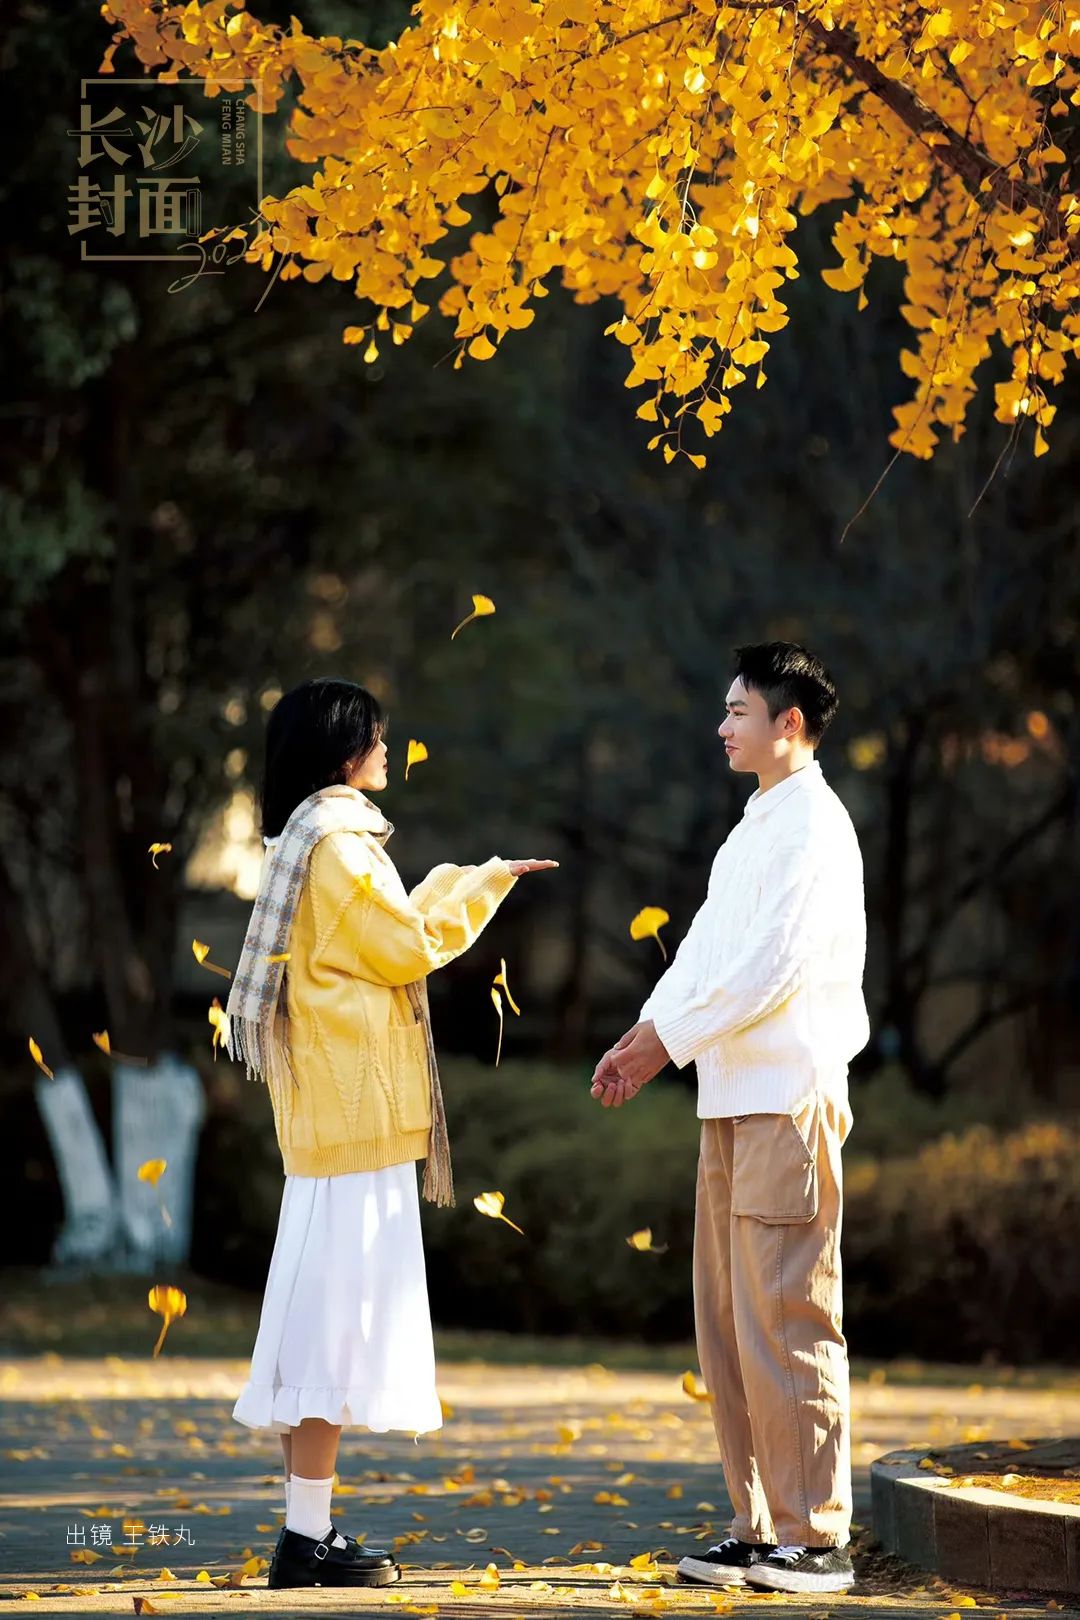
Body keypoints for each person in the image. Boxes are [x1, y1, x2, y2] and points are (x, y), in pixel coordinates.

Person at [225, 677, 558, 1590]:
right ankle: (306, 1539)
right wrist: (483, 882)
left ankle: (306, 1533)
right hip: (356, 1118)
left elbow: (384, 932)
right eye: (375, 737)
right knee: (330, 1331)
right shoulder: (338, 845)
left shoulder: (309, 840)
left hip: (333, 1120)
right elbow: (407, 943)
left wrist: (464, 880)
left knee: (316, 1328)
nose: (386, 749)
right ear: (344, 751)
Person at [591, 642, 869, 1596]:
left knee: (790, 1316)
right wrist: (644, 1036)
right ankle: (758, 1530)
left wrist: (665, 1044)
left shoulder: (815, 827)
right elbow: (707, 952)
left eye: (738, 711)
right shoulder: (754, 825)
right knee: (729, 1324)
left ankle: (815, 1537)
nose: (722, 727)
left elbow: (772, 970)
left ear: (789, 723)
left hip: (786, 1098)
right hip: (730, 1100)